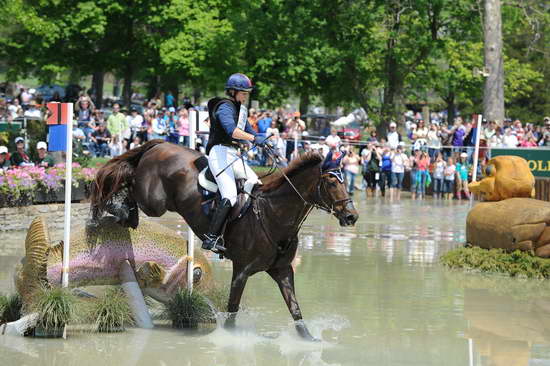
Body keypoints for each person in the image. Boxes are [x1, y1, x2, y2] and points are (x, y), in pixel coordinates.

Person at [202, 73, 267, 252]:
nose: (246, 96)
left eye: (247, 93)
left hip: (233, 154)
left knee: (255, 182)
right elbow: (232, 131)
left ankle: (243, 227)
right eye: (243, 92)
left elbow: (247, 130)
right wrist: (254, 138)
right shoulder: (224, 107)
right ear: (233, 91)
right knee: (229, 195)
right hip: (219, 153)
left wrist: (263, 138)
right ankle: (211, 238)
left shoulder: (241, 110)